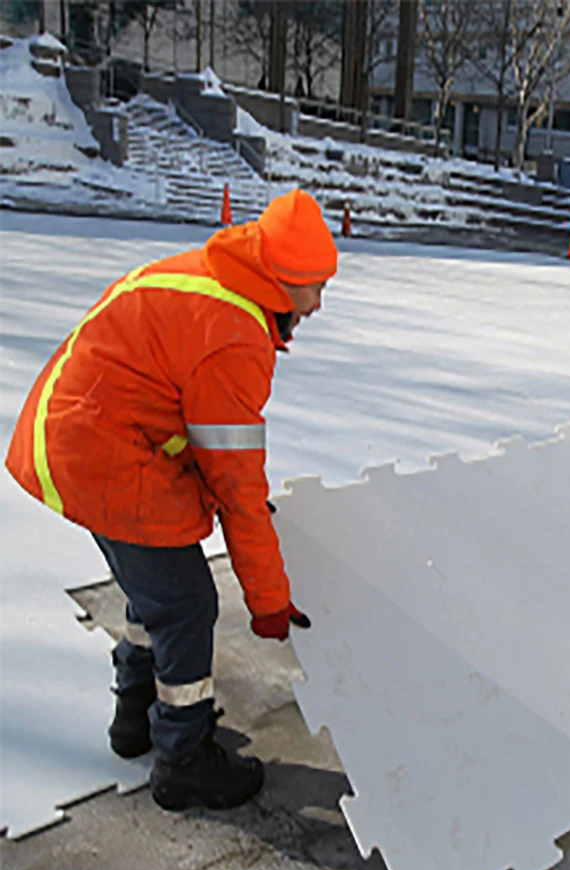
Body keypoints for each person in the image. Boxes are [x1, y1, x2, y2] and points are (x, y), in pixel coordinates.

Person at [5, 188, 338, 811]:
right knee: (186, 602)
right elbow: (237, 487)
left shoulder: (218, 276)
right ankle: (183, 759)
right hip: (97, 449)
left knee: (156, 586)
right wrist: (268, 601)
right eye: (312, 287)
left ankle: (137, 719)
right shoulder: (235, 337)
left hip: (81, 431)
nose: (319, 304)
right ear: (280, 280)